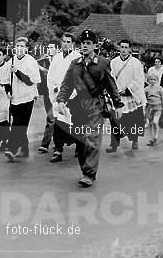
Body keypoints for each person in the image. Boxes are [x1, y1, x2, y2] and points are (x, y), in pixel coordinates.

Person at [55, 29, 123, 187]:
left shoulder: (102, 63)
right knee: (81, 140)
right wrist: (61, 100)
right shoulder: (75, 64)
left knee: (92, 138)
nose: (84, 46)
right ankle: (85, 168)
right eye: (82, 43)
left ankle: (89, 173)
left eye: (88, 43)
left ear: (94, 45)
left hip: (96, 105)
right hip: (78, 105)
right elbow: (66, 84)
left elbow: (111, 84)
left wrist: (118, 104)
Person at [44, 33, 81, 163]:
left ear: (73, 44)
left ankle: (78, 147)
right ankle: (58, 150)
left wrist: (72, 93)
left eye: (68, 41)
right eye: (63, 41)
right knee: (58, 123)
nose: (65, 43)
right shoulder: (57, 57)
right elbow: (50, 75)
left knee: (73, 122)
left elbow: (79, 79)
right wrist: (53, 88)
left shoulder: (77, 57)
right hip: (58, 95)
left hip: (72, 96)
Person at [4, 37, 41, 162]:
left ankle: (12, 149)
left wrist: (17, 72)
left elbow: (31, 81)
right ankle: (25, 149)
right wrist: (8, 91)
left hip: (27, 97)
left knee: (18, 125)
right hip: (15, 98)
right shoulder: (11, 61)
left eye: (22, 46)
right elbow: (6, 79)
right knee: (19, 124)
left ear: (26, 49)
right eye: (17, 46)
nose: (19, 49)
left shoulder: (31, 61)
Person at [107, 40, 146, 153]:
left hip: (131, 96)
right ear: (119, 48)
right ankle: (114, 144)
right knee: (115, 120)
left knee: (133, 119)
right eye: (122, 47)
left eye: (126, 47)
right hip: (118, 95)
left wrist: (128, 90)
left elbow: (139, 79)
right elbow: (111, 78)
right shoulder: (113, 62)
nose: (123, 50)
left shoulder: (136, 62)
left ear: (130, 49)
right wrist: (118, 90)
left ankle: (134, 140)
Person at [36, 39, 58, 156]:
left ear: (57, 49)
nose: (49, 50)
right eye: (48, 48)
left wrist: (44, 70)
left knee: (52, 118)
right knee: (51, 118)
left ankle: (45, 144)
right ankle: (57, 142)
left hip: (57, 94)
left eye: (52, 47)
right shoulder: (44, 61)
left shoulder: (60, 61)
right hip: (46, 93)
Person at [144, 73, 163, 146]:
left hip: (158, 108)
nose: (152, 81)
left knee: (155, 122)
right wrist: (144, 109)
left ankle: (156, 136)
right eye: (151, 79)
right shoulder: (146, 89)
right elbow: (144, 100)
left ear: (157, 80)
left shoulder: (160, 88)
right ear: (148, 80)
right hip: (150, 108)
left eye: (154, 80)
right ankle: (151, 139)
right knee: (150, 124)